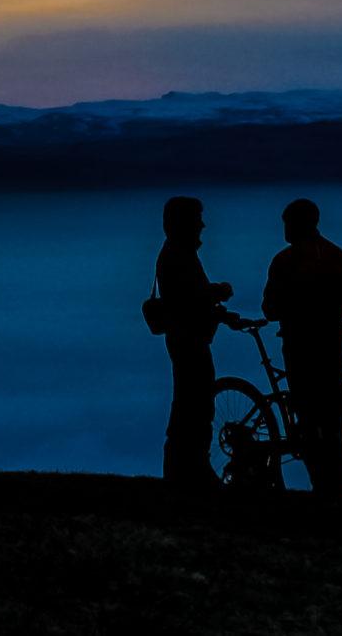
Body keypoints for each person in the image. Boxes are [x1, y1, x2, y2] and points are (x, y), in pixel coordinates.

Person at [261, 197, 342, 498]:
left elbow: (269, 308)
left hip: (298, 345)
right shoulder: (337, 256)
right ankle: (335, 482)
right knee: (331, 412)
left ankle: (322, 480)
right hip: (330, 343)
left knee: (308, 411)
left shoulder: (283, 261)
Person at [155, 195, 235, 488]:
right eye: (196, 219)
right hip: (189, 339)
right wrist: (219, 292)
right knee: (194, 405)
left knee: (193, 404)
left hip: (186, 337)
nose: (202, 225)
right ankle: (189, 470)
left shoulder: (176, 253)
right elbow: (190, 297)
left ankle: (186, 469)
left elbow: (188, 297)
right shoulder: (179, 256)